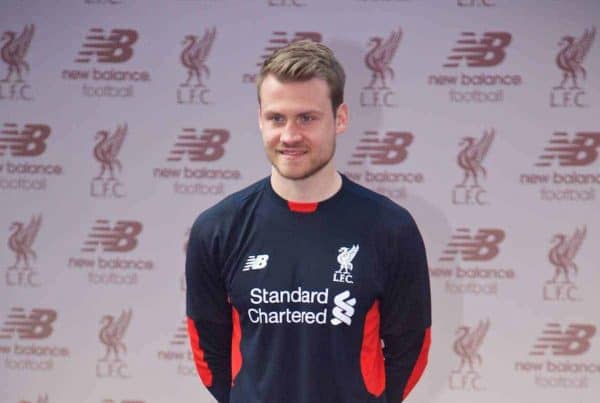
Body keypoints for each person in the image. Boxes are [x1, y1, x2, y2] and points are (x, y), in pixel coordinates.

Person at [186, 40, 431, 403]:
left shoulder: (390, 228)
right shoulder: (218, 229)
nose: (289, 136)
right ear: (260, 119)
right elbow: (209, 352)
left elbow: (411, 347)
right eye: (276, 118)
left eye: (307, 118)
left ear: (341, 118)